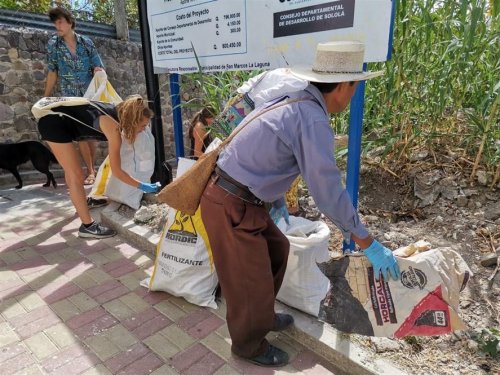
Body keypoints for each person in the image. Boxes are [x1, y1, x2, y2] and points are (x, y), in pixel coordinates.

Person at [199, 41, 401, 367]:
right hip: (231, 200)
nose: (352, 96)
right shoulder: (311, 116)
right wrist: (367, 241)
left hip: (242, 196)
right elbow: (327, 192)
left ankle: (261, 316)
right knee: (249, 276)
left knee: (276, 250)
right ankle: (248, 345)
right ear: (343, 86)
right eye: (355, 87)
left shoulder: (299, 99)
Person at [33, 95, 160, 239]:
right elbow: (117, 171)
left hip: (58, 120)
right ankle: (87, 226)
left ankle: (81, 205)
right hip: (53, 123)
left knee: (73, 173)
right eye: (143, 125)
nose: (144, 130)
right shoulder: (113, 127)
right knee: (76, 175)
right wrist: (142, 186)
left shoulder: (120, 111)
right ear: (133, 121)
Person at [44, 7, 105, 186]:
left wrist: (98, 70)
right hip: (70, 97)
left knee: (90, 135)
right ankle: (91, 171)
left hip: (89, 96)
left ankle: (91, 168)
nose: (57, 25)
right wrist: (45, 97)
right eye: (55, 23)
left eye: (60, 21)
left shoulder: (87, 43)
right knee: (80, 135)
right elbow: (52, 71)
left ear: (70, 22)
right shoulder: (53, 44)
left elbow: (97, 65)